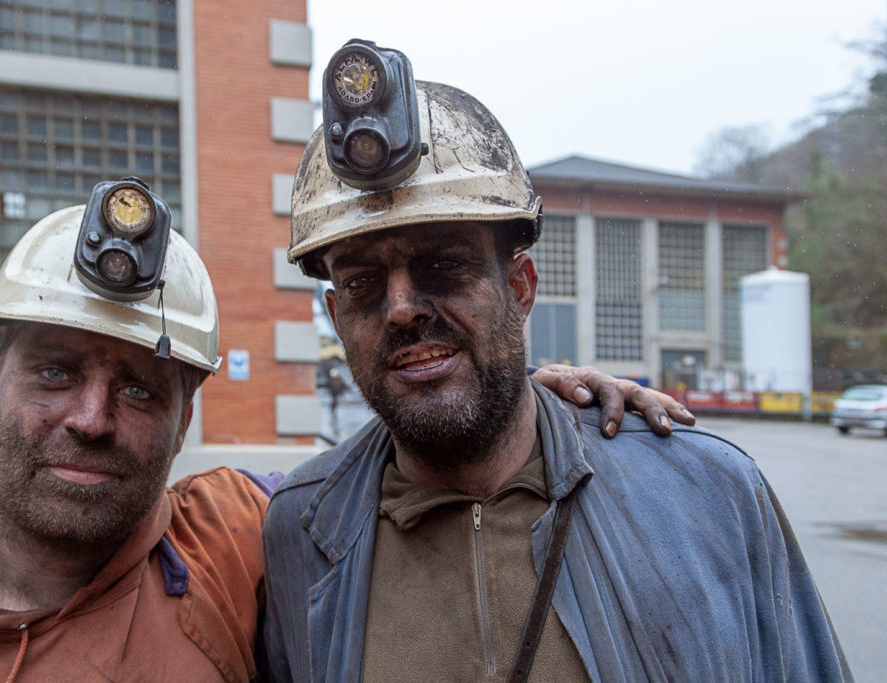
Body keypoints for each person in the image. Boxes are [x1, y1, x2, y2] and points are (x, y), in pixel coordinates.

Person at [0, 178, 686, 681]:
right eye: (54, 372)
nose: (91, 417)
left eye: (141, 389)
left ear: (185, 419)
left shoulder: (234, 537)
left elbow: (414, 463)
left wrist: (508, 389)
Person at [261, 40, 851, 681]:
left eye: (444, 265)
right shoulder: (299, 529)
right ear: (333, 315)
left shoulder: (711, 494)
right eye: (362, 284)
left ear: (520, 287)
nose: (401, 309)